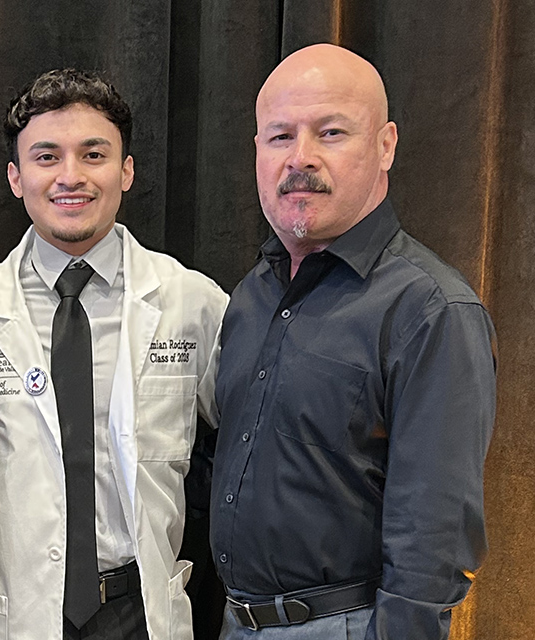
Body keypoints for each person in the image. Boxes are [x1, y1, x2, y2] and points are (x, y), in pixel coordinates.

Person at [210, 44, 497, 639]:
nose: (301, 158)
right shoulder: (251, 296)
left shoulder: (430, 309)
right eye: (280, 136)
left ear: (386, 145)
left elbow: (433, 536)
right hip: (236, 621)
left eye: (331, 132)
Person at [0, 69, 230, 640]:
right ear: (15, 177)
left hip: (138, 611)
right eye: (46, 157)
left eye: (93, 154)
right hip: (13, 612)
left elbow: (253, 442)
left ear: (126, 171)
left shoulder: (190, 302)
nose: (70, 176)